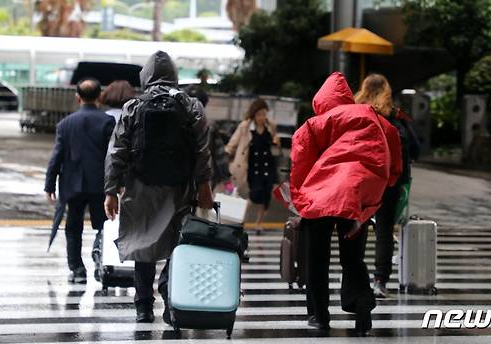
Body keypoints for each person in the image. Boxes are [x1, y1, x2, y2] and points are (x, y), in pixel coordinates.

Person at [103, 51, 214, 324]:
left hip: (140, 186)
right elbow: (202, 150)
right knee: (179, 243)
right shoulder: (191, 105)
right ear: (174, 75)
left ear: (146, 75)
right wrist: (204, 185)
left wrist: (110, 189)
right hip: (179, 187)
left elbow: (117, 151)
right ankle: (169, 292)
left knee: (144, 245)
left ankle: (143, 306)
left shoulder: (133, 106)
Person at [290, 72, 402, 335]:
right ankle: (362, 300)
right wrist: (375, 194)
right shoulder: (372, 117)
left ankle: (319, 316)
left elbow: (300, 160)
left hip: (321, 197)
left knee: (317, 258)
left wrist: (300, 196)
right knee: (352, 258)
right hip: (356, 196)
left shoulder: (316, 123)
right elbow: (392, 158)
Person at [44, 78, 116, 284]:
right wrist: (118, 182)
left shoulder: (65, 124)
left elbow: (56, 156)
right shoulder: (107, 122)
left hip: (72, 184)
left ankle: (77, 269)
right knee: (103, 225)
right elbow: (113, 155)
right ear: (99, 97)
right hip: (100, 184)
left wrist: (49, 184)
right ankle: (100, 263)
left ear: (77, 98)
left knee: (73, 227)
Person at [355, 74, 420, 299]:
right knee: (384, 232)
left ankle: (354, 277)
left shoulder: (355, 113)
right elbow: (416, 148)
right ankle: (380, 281)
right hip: (389, 181)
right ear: (387, 91)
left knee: (357, 228)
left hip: (360, 179)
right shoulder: (395, 116)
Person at [226, 99, 280, 233]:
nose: (262, 117)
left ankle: (258, 223)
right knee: (255, 194)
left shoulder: (271, 126)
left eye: (264, 114)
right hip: (251, 166)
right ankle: (240, 220)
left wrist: (276, 143)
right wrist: (225, 155)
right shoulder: (245, 126)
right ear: (254, 114)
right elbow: (233, 142)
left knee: (266, 195)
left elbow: (275, 148)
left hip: (268, 166)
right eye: (259, 114)